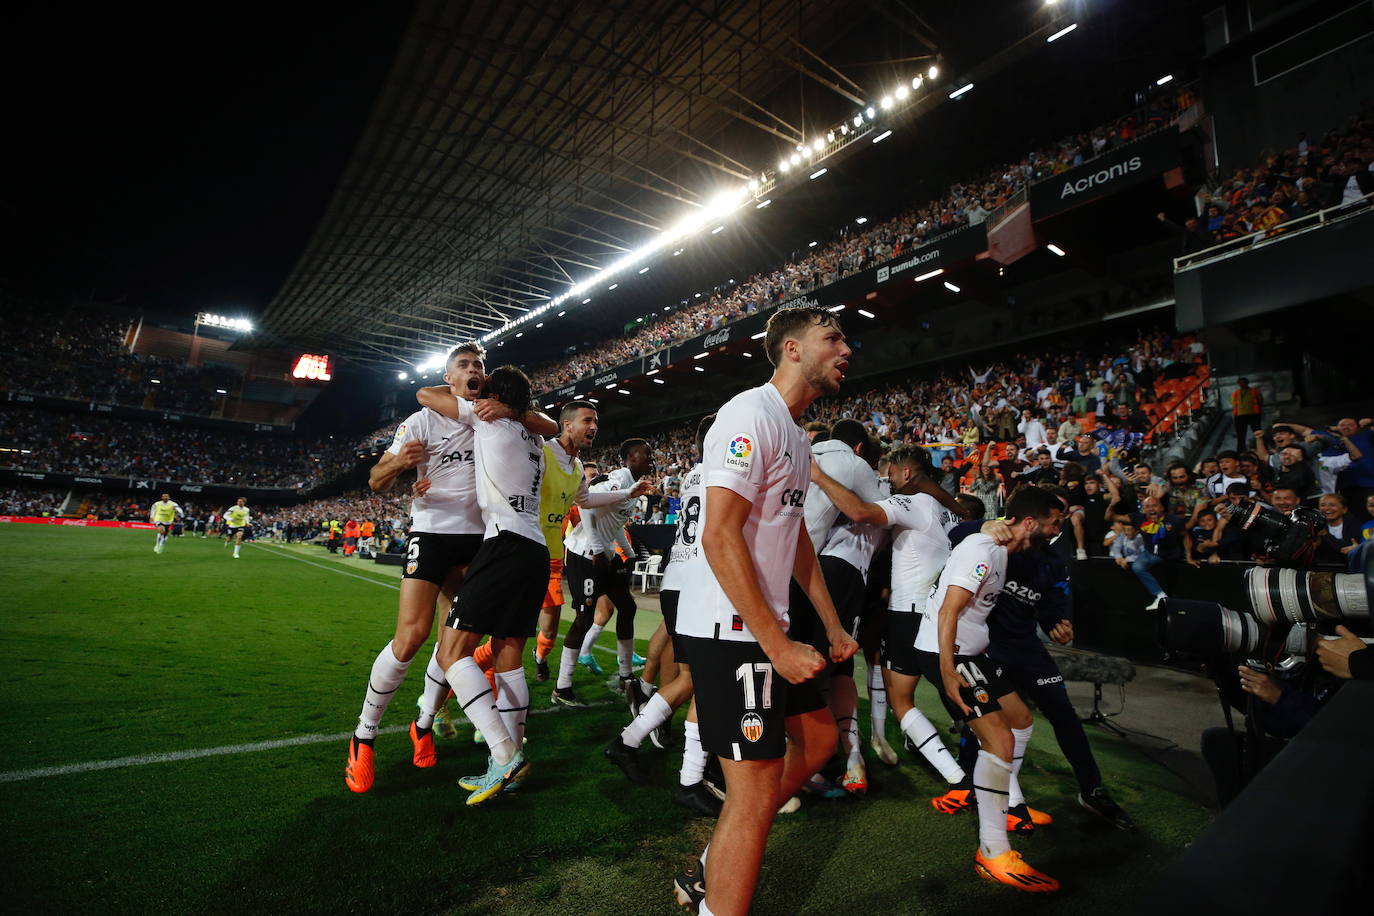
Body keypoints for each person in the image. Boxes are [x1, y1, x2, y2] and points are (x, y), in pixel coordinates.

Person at [672, 305, 858, 915]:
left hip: (764, 628)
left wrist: (830, 624)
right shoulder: (749, 414)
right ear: (792, 350)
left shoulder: (796, 435)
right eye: (832, 338)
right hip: (732, 630)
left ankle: (709, 870)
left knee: (819, 741)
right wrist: (775, 644)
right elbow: (719, 536)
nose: (846, 349)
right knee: (752, 793)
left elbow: (796, 537)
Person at [344, 343, 556, 794]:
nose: (474, 369)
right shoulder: (423, 419)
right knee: (412, 636)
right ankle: (364, 736)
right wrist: (401, 463)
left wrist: (511, 410)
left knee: (454, 641)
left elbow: (545, 422)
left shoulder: (492, 415)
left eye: (479, 364)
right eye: (464, 365)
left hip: (482, 540)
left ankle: (423, 723)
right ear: (450, 378)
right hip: (434, 533)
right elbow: (376, 481)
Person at [930, 486, 1066, 892]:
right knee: (1001, 740)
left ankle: (1002, 803)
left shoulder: (1005, 549)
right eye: (1055, 523)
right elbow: (948, 610)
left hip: (975, 652)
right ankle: (992, 851)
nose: (1059, 530)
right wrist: (948, 669)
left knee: (1021, 722)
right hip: (955, 654)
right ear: (1030, 522)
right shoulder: (985, 550)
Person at [809, 448, 968, 792]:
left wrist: (818, 476)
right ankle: (987, 770)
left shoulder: (915, 504)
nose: (889, 481)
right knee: (955, 693)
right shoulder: (949, 513)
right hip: (940, 616)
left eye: (893, 474)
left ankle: (958, 777)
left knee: (903, 702)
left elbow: (860, 511)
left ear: (907, 474)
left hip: (907, 612)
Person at [430, 365, 552, 805]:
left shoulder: (487, 416)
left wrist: (472, 392)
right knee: (508, 655)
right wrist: (515, 408)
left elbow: (427, 396)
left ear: (496, 396)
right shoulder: (534, 436)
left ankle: (503, 754)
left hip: (503, 544)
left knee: (451, 652)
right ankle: (512, 760)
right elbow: (547, 422)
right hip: (534, 549)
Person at [605, 415, 720, 818]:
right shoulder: (724, 471)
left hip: (677, 578)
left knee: (692, 676)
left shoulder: (693, 475)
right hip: (700, 583)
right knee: (708, 678)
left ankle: (629, 741)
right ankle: (690, 777)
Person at [555, 438, 658, 709]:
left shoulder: (633, 487)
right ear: (630, 458)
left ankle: (625, 675)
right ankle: (562, 687)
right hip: (585, 554)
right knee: (584, 618)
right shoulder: (616, 480)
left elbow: (615, 524)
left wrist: (629, 553)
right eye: (645, 453)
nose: (651, 457)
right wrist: (599, 549)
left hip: (604, 555)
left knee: (627, 607)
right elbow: (585, 507)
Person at [1230, 378, 1263, 451]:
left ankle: (1260, 447)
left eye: (1243, 382)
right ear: (1238, 384)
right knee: (1240, 435)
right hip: (1240, 416)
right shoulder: (1236, 393)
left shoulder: (1254, 391)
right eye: (1240, 383)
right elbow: (1233, 404)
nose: (1242, 384)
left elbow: (1260, 401)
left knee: (1257, 433)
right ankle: (1241, 450)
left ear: (1247, 383)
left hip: (1253, 414)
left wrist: (1259, 413)